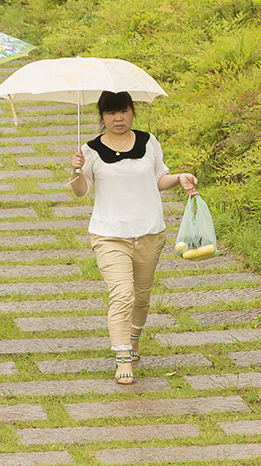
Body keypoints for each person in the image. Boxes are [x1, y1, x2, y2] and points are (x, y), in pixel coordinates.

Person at [68, 90, 196, 385]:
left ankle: (134, 336)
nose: (118, 118)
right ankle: (123, 356)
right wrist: (75, 170)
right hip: (109, 234)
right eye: (111, 113)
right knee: (122, 294)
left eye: (123, 111)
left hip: (149, 231)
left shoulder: (149, 142)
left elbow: (158, 179)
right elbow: (80, 191)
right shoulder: (88, 151)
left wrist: (179, 178)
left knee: (142, 295)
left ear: (132, 112)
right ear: (101, 117)